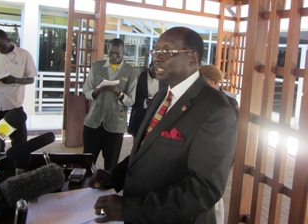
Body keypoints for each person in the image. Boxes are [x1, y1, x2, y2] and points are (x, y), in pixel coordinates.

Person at [89, 27, 238, 224]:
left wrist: (131, 209)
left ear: (192, 59)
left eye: (166, 52)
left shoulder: (216, 109)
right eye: (156, 51)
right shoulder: (163, 94)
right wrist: (114, 177)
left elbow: (203, 189)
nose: (157, 58)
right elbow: (145, 149)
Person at [83, 38, 139, 170]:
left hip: (115, 126)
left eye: (117, 54)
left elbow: (131, 100)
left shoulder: (131, 72)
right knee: (86, 163)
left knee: (111, 166)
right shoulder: (96, 66)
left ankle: (106, 190)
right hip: (93, 123)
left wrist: (119, 92)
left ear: (123, 53)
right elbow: (86, 90)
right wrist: (97, 90)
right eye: (111, 53)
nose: (114, 56)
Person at [199, 64, 239, 224]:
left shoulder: (229, 104)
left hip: (219, 158)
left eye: (203, 81)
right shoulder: (203, 98)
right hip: (203, 155)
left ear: (215, 81)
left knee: (215, 198)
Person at [0, 29, 37, 150]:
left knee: (19, 142)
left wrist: (15, 80)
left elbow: (31, 79)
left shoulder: (24, 55)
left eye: (1, 46)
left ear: (8, 40)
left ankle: (18, 168)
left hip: (13, 107)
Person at [127, 61, 166, 138]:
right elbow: (131, 99)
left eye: (159, 69)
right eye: (154, 69)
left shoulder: (164, 79)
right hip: (139, 119)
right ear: (150, 66)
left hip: (156, 118)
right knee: (137, 146)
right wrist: (145, 102)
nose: (156, 71)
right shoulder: (138, 77)